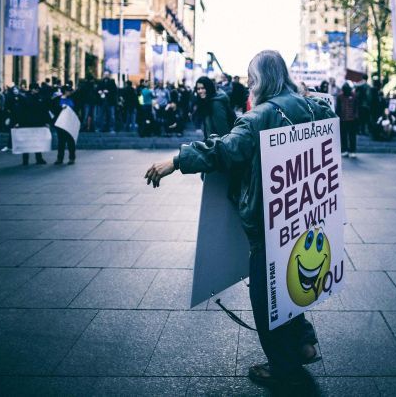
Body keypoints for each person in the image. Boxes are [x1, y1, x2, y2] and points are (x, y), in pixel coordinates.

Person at [144, 50, 333, 388]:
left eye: (251, 80)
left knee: (266, 292)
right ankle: (304, 342)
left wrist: (176, 161)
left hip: (270, 216)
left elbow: (226, 151)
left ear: (260, 81)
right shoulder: (311, 106)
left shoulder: (258, 116)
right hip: (305, 210)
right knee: (292, 279)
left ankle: (281, 365)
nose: (248, 86)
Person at [53, 86, 77, 165]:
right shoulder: (57, 99)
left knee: (70, 141)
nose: (70, 92)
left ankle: (72, 158)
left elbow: (76, 108)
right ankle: (60, 158)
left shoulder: (72, 98)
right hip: (61, 122)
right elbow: (53, 109)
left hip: (70, 122)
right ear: (65, 91)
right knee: (61, 141)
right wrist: (60, 108)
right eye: (68, 91)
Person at [336, 82, 358, 158]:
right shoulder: (340, 96)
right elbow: (338, 108)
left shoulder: (353, 96)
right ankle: (347, 150)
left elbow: (356, 107)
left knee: (349, 136)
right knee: (345, 136)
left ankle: (350, 150)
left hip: (350, 120)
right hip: (345, 119)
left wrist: (356, 116)